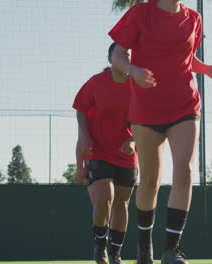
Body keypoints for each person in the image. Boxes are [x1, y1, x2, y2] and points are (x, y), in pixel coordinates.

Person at [109, 1, 212, 264]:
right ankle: (144, 247)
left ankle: (171, 249)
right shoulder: (141, 12)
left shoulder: (193, 18)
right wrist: (133, 70)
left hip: (185, 104)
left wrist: (207, 69)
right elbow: (117, 54)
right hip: (146, 108)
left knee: (184, 171)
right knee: (150, 180)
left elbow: (186, 58)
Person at [73, 43, 138, 264]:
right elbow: (80, 110)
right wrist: (84, 139)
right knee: (105, 198)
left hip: (127, 155)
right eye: (120, 54)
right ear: (111, 59)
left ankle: (116, 253)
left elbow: (146, 120)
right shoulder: (96, 83)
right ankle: (100, 248)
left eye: (129, 55)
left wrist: (133, 140)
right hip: (98, 152)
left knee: (122, 203)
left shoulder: (137, 86)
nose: (125, 58)